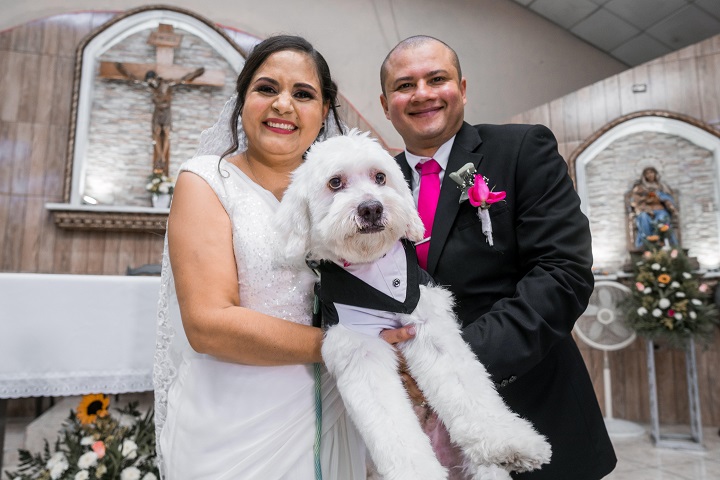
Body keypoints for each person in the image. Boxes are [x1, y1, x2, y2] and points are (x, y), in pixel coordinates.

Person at [378, 35, 617, 479]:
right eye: (405, 85)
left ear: (462, 89)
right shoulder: (375, 184)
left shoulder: (521, 149)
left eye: (437, 79)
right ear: (385, 103)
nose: (423, 94)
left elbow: (563, 274)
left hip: (530, 406)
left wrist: (451, 366)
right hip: (416, 434)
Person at [153, 35, 367, 479]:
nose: (283, 105)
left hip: (336, 412)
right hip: (234, 426)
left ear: (324, 110)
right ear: (243, 98)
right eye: (267, 88)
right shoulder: (207, 182)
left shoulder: (344, 193)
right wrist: (353, 349)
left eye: (303, 94)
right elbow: (208, 323)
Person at [629, 166, 678, 248]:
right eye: (647, 173)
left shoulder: (661, 186)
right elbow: (634, 201)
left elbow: (667, 198)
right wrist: (644, 199)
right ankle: (647, 242)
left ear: (655, 174)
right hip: (645, 210)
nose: (650, 175)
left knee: (662, 218)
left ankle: (662, 242)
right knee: (643, 217)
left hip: (659, 209)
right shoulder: (639, 187)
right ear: (644, 176)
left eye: (651, 172)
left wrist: (669, 205)